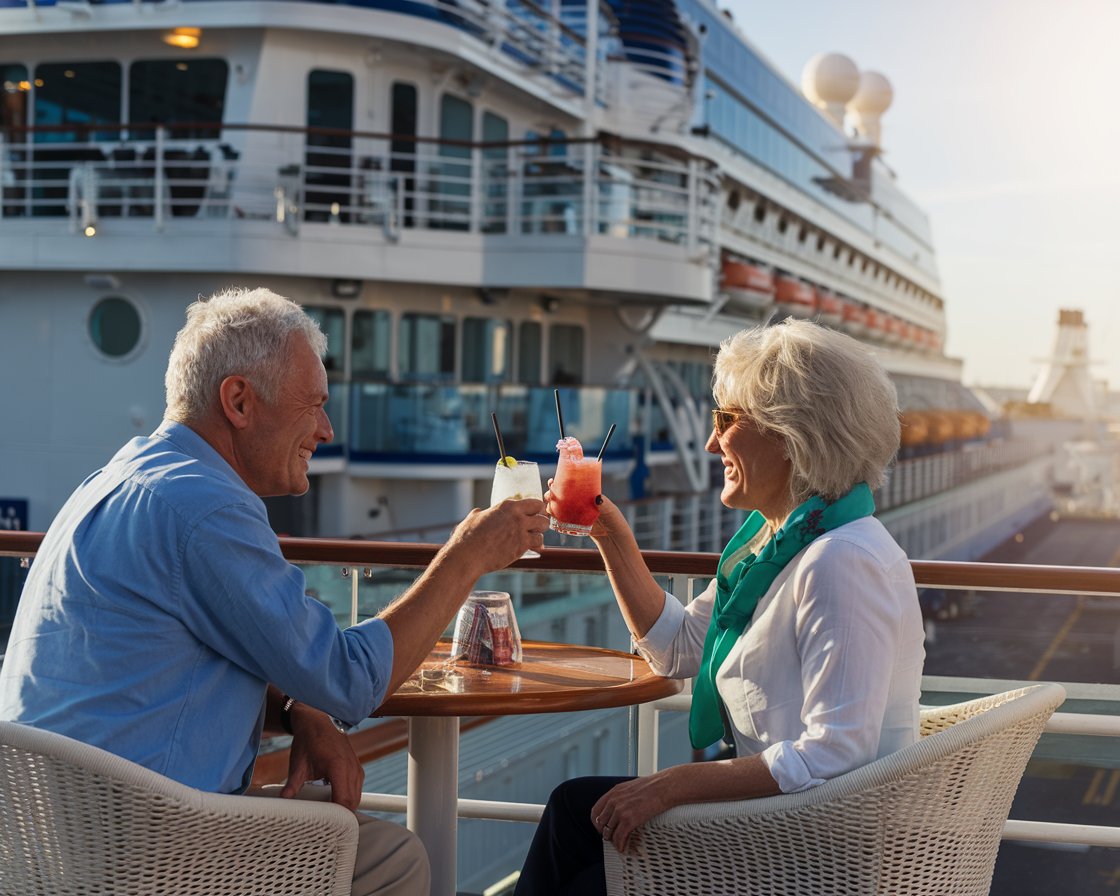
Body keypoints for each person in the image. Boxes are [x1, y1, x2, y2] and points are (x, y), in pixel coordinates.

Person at [0, 286, 548, 896]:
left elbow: (152, 685)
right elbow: (348, 679)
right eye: (312, 404)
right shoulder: (204, 508)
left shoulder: (114, 480)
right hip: (145, 856)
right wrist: (467, 553)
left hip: (44, 843)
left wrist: (292, 710)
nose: (326, 427)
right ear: (238, 400)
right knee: (392, 859)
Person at [515, 318, 925, 895]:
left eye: (726, 421)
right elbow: (678, 650)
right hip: (777, 825)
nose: (712, 444)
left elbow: (836, 750)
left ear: (790, 435)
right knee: (571, 811)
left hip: (818, 853)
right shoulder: (774, 543)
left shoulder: (841, 561)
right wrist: (609, 530)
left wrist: (675, 784)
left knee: (586, 869)